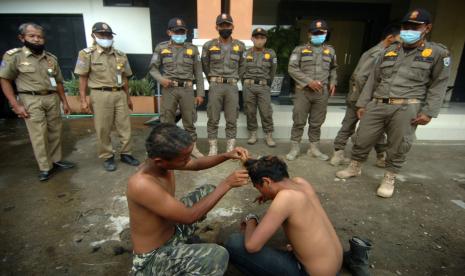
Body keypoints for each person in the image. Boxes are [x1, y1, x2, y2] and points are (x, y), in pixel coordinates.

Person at [336, 9, 451, 198]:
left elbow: (439, 84)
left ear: (427, 28)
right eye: (406, 26)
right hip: (378, 103)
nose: (409, 30)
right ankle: (355, 166)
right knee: (362, 137)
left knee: (398, 144)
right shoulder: (389, 51)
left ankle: (389, 177)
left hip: (407, 106)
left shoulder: (438, 53)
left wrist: (429, 111)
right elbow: (373, 79)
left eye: (415, 26)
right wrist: (363, 104)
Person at [127, 123, 250, 275]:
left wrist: (226, 155)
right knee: (217, 255)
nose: (188, 160)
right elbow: (189, 217)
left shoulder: (163, 164)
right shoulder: (142, 184)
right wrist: (227, 184)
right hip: (153, 257)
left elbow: (197, 164)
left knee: (207, 191)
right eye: (184, 158)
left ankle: (182, 245)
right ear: (160, 161)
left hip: (172, 232)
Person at [225, 156, 343, 276]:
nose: (260, 192)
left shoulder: (286, 198)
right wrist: (269, 194)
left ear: (266, 182)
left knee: (234, 243)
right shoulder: (301, 183)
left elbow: (252, 246)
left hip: (310, 273)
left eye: (259, 188)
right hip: (334, 266)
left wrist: (251, 219)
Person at [0, 22, 75, 181]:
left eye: (40, 37)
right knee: (38, 134)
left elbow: (59, 81)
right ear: (22, 38)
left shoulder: (50, 58)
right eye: (32, 36)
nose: (36, 39)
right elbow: (5, 80)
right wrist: (15, 104)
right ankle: (45, 167)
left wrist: (65, 102)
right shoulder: (14, 56)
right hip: (30, 98)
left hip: (51, 97)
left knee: (55, 130)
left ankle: (56, 160)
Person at [329, 24, 401, 167]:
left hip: (364, 97)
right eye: (400, 39)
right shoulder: (378, 53)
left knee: (372, 127)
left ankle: (380, 156)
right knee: (356, 126)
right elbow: (361, 77)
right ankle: (339, 155)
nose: (403, 43)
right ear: (390, 38)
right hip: (363, 98)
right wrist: (366, 99)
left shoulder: (386, 52)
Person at [74, 22, 140, 172]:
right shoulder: (86, 54)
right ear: (94, 36)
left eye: (108, 35)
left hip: (119, 93)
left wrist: (128, 97)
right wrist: (83, 100)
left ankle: (126, 153)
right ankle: (107, 156)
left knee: (125, 126)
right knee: (103, 127)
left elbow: (125, 78)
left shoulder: (120, 55)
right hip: (100, 94)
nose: (106, 37)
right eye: (102, 35)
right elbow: (83, 78)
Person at [149, 17, 205, 158]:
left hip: (187, 89)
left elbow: (198, 72)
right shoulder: (161, 48)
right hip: (169, 89)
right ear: (169, 32)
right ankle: (168, 149)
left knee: (189, 120)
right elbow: (153, 68)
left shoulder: (192, 50)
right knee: (167, 120)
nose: (179, 34)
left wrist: (200, 93)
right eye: (176, 32)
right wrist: (161, 80)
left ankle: (192, 148)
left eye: (182, 32)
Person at [286, 19, 338, 161]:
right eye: (315, 33)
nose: (318, 35)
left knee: (317, 122)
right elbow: (292, 68)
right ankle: (295, 148)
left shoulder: (331, 50)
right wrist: (309, 82)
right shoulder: (300, 50)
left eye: (321, 32)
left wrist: (333, 82)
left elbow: (333, 68)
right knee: (298, 121)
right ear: (309, 34)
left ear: (326, 33)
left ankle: (314, 148)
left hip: (321, 93)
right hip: (303, 92)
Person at [202, 13, 245, 155]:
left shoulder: (240, 46)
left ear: (232, 26)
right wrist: (213, 80)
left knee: (232, 118)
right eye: (222, 25)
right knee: (213, 118)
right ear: (217, 27)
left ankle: (230, 147)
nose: (225, 28)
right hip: (215, 86)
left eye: (227, 25)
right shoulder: (208, 46)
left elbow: (243, 66)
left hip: (232, 87)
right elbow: (205, 65)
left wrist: (235, 79)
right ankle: (213, 146)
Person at [242, 28, 277, 147]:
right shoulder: (246, 53)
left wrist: (266, 84)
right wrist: (246, 82)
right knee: (250, 111)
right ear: (252, 39)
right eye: (257, 38)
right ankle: (253, 134)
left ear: (265, 40)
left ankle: (269, 135)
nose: (259, 40)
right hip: (248, 86)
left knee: (266, 111)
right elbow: (241, 70)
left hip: (263, 86)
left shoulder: (270, 54)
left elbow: (272, 72)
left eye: (262, 38)